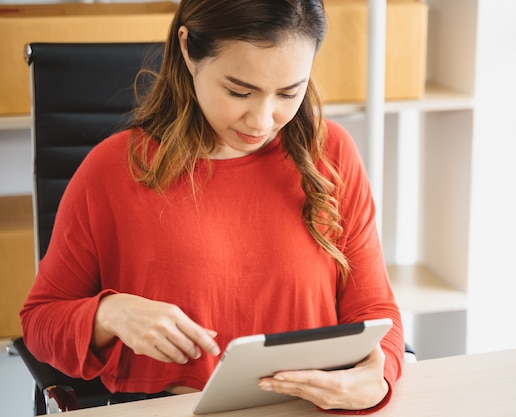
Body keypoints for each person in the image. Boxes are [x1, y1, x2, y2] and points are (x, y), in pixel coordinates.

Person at [20, 0, 405, 413]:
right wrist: (108, 314)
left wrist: (377, 377)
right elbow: (41, 324)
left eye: (289, 92)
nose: (261, 120)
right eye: (239, 91)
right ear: (188, 49)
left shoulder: (331, 153)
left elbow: (375, 310)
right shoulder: (113, 169)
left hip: (305, 408)